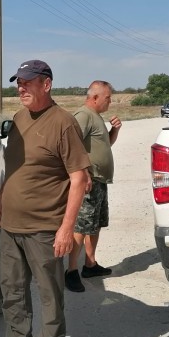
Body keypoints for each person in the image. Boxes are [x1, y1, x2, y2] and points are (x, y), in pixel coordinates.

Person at [0, 60, 90, 337]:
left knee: (49, 294)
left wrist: (66, 229)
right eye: (18, 82)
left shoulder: (63, 124)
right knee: (12, 290)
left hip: (45, 228)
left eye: (28, 82)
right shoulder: (19, 119)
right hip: (11, 225)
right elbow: (13, 166)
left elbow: (80, 178)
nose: (21, 88)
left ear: (46, 84)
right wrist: (1, 198)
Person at [65, 81, 121, 293]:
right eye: (108, 98)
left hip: (99, 181)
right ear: (95, 97)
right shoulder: (84, 115)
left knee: (94, 224)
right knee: (81, 227)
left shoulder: (96, 117)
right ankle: (71, 271)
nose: (110, 101)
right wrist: (84, 173)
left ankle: (90, 265)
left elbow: (105, 144)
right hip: (88, 182)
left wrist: (114, 130)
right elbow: (71, 146)